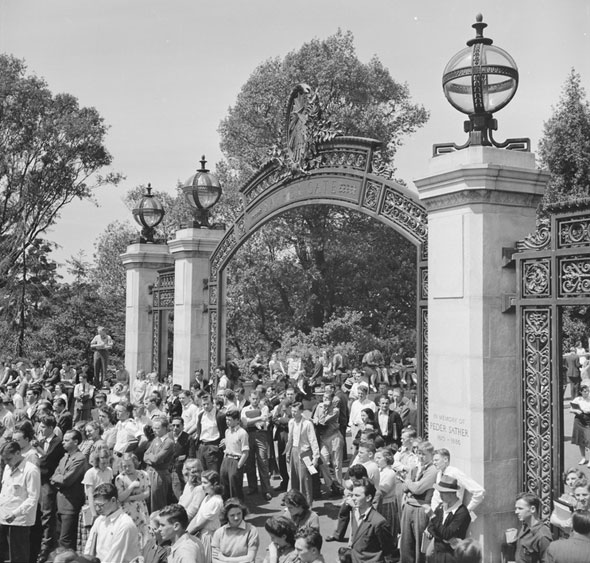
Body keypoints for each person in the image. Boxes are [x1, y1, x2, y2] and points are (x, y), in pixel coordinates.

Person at [0, 440, 41, 563]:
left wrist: (15, 514)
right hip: (3, 517)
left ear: (18, 453)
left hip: (19, 521)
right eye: (4, 459)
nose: (6, 462)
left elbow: (33, 498)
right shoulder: (8, 467)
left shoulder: (31, 470)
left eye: (9, 458)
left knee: (18, 556)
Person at [51, 428, 89, 550]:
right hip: (60, 503)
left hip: (70, 505)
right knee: (58, 537)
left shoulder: (80, 458)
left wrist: (58, 479)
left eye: (67, 440)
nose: (63, 442)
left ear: (76, 442)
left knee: (65, 540)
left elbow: (67, 480)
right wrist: (58, 479)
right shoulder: (64, 457)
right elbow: (53, 476)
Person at [400, 441, 437, 563]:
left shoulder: (432, 470)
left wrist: (409, 481)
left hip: (420, 508)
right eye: (419, 453)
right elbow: (404, 488)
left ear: (431, 454)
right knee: (406, 542)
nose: (421, 457)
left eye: (424, 454)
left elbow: (417, 488)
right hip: (408, 506)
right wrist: (410, 483)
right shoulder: (416, 468)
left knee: (418, 543)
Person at [84, 482, 140, 562]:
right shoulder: (99, 520)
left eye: (101, 505)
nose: (97, 509)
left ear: (113, 500)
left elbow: (115, 557)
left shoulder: (125, 524)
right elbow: (89, 547)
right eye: (96, 505)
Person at [36, 414, 66, 561]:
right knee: (40, 514)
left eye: (42, 427)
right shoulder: (42, 442)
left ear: (50, 428)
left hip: (48, 483)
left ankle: (46, 547)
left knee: (47, 515)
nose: (40, 429)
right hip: (39, 481)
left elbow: (45, 462)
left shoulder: (57, 442)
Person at [425, 476, 471, 562]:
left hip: (450, 556)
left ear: (452, 493)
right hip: (438, 552)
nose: (440, 495)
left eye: (443, 492)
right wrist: (444, 539)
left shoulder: (462, 512)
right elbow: (431, 528)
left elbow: (447, 533)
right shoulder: (440, 506)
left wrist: (432, 516)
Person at [349, 478, 395, 563]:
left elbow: (388, 548)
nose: (353, 498)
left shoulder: (379, 522)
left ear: (368, 498)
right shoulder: (354, 512)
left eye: (357, 495)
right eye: (352, 495)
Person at [77, 445, 113, 553]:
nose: (105, 462)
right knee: (90, 539)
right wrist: (94, 514)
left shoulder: (109, 471)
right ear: (97, 459)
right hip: (92, 507)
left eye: (107, 460)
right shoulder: (90, 473)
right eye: (102, 460)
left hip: (106, 506)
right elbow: (90, 495)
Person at [429, 449, 485, 518]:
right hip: (440, 515)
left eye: (436, 460)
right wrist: (434, 513)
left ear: (445, 459)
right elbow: (436, 496)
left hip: (453, 516)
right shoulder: (439, 474)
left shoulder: (455, 472)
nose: (434, 463)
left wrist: (467, 511)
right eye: (433, 460)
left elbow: (479, 491)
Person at [286, 402, 320, 507]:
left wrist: (315, 457)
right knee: (294, 478)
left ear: (301, 411)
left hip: (305, 453)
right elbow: (290, 439)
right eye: (292, 411)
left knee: (305, 480)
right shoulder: (291, 422)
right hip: (294, 451)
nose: (293, 413)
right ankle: (294, 504)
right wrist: (288, 453)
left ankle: (307, 504)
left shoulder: (307, 424)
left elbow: (313, 440)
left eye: (295, 411)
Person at [187, 469, 224, 562]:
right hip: (201, 534)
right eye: (202, 482)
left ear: (214, 484)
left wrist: (186, 535)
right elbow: (197, 517)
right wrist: (187, 530)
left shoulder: (216, 501)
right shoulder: (207, 497)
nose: (202, 486)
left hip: (208, 537)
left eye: (205, 483)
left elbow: (200, 524)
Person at [241, 390, 273, 500]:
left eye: (257, 399)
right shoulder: (245, 409)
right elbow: (244, 422)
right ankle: (252, 487)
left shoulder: (264, 408)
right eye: (253, 399)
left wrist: (253, 420)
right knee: (249, 462)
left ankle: (266, 490)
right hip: (248, 435)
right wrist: (258, 419)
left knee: (263, 461)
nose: (255, 401)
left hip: (261, 435)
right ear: (249, 398)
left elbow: (265, 420)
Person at [313, 390, 344, 496]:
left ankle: (339, 487)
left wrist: (324, 409)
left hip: (334, 437)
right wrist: (315, 418)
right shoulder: (319, 406)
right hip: (323, 438)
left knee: (336, 464)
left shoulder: (335, 410)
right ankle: (331, 484)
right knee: (323, 462)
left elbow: (323, 421)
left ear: (332, 400)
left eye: (327, 398)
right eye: (324, 397)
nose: (325, 400)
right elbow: (316, 417)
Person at [115, 452, 150, 546]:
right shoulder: (120, 478)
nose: (127, 468)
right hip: (128, 512)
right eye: (124, 466)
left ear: (135, 464)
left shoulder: (144, 474)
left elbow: (147, 494)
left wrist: (130, 498)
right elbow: (121, 498)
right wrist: (131, 487)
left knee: (144, 537)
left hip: (142, 510)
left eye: (129, 466)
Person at [211, 497, 259, 563]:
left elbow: (250, 558)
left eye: (239, 514)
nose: (236, 518)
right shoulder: (219, 533)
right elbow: (215, 559)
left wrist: (225, 559)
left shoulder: (251, 530)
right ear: (226, 516)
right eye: (232, 515)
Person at [510, 492, 552, 563]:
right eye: (516, 508)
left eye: (520, 508)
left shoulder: (542, 535)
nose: (516, 512)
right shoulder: (525, 526)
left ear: (532, 509)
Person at [144, 416, 175, 511]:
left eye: (157, 428)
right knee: (148, 499)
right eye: (153, 428)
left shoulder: (169, 442)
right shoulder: (155, 439)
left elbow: (157, 459)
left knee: (157, 502)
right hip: (149, 472)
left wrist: (151, 457)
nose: (154, 430)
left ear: (165, 428)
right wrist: (151, 458)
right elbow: (145, 455)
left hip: (159, 475)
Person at [220, 408, 249, 500]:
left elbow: (245, 452)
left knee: (235, 487)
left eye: (230, 420)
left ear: (237, 420)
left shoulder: (242, 433)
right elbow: (228, 447)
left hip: (236, 460)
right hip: (226, 460)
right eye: (226, 420)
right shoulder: (227, 431)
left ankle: (239, 507)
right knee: (224, 485)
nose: (227, 422)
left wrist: (239, 465)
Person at [374, 447, 399, 545]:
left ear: (387, 458)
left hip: (386, 505)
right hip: (380, 503)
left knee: (386, 530)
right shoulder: (380, 471)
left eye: (379, 458)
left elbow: (383, 491)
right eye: (376, 458)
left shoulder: (390, 473)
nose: (377, 460)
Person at [570, 381, 590, 466]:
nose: (586, 393)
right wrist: (576, 410)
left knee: (588, 440)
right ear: (581, 392)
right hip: (578, 421)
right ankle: (583, 458)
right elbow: (570, 409)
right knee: (580, 440)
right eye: (584, 391)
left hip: (588, 420)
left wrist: (588, 411)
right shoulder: (577, 399)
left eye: (588, 391)